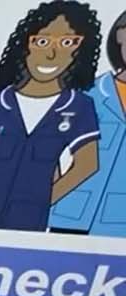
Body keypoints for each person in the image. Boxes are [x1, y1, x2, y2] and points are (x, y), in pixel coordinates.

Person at [0, 1, 104, 230]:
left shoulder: (79, 106)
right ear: (25, 44)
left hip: (27, 225)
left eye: (67, 42)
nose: (51, 53)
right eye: (42, 41)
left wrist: (41, 203)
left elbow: (87, 164)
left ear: (81, 51)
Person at [47, 8, 126, 234]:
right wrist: (52, 192)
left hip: (118, 222)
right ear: (120, 37)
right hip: (70, 213)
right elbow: (46, 145)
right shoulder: (88, 93)